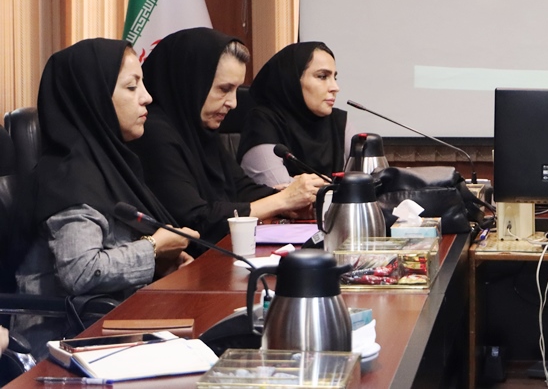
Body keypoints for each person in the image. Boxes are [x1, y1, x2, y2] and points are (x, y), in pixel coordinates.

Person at [14, 39, 195, 356]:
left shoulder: (109, 162)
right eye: (131, 87)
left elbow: (112, 247)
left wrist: (159, 264)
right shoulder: (69, 176)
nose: (147, 97)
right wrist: (153, 248)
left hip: (115, 325)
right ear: (93, 98)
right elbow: (81, 271)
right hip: (65, 342)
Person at [129, 28, 325, 249]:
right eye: (224, 89)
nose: (233, 103)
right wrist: (282, 200)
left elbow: (240, 189)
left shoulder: (199, 129)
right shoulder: (152, 133)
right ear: (190, 82)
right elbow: (195, 220)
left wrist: (297, 200)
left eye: (235, 90)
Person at [237, 42, 348, 186]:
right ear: (293, 79)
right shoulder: (262, 121)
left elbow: (368, 183)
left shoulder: (338, 121)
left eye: (334, 78)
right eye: (322, 76)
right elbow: (281, 189)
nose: (335, 87)